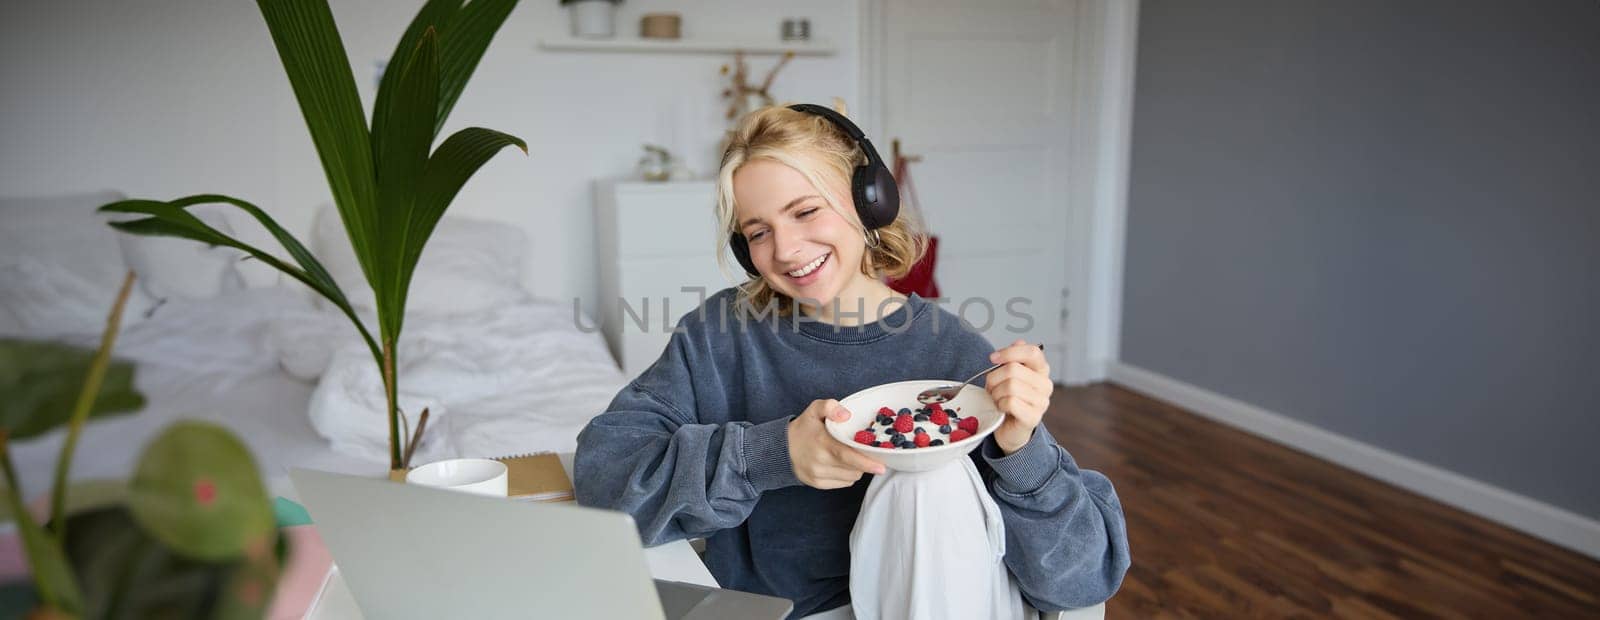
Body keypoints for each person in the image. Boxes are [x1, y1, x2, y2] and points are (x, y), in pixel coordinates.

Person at [574, 102, 1129, 619]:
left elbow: (1083, 579)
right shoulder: (717, 338)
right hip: (774, 611)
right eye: (759, 232)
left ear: (870, 201)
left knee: (929, 486)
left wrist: (1022, 451)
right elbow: (604, 479)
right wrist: (772, 454)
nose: (786, 249)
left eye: (806, 211)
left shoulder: (953, 353)